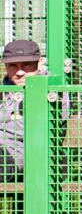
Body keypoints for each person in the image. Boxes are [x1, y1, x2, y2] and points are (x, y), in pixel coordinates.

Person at [0, 39, 41, 176]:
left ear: (39, 63)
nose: (19, 72)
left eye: (26, 65)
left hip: (18, 157)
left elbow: (37, 129)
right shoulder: (4, 91)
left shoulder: (51, 92)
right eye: (13, 66)